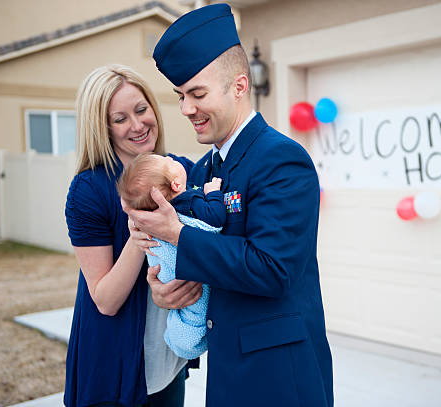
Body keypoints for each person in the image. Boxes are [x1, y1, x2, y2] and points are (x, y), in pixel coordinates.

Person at [124, 4, 334, 407]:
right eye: (181, 95)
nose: (186, 108)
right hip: (226, 373)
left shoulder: (282, 159)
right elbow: (202, 265)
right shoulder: (201, 169)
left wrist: (177, 234)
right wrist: (167, 289)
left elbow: (272, 270)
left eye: (197, 94)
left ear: (239, 86)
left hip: (279, 377)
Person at [64, 64, 201, 407]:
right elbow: (105, 301)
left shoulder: (180, 170)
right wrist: (140, 232)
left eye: (142, 110)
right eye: (120, 118)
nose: (138, 125)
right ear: (104, 127)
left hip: (167, 360)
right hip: (114, 365)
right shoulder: (89, 190)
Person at [117, 153, 226, 359]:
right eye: (172, 162)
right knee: (194, 311)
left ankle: (182, 336)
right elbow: (214, 219)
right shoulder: (187, 201)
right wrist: (212, 194)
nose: (175, 159)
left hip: (172, 279)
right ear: (176, 185)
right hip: (186, 285)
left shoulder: (158, 213)